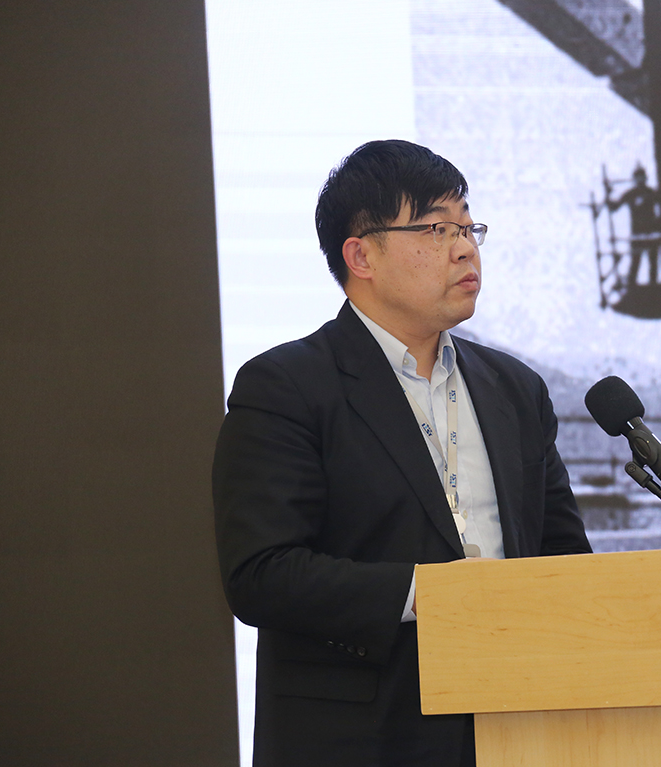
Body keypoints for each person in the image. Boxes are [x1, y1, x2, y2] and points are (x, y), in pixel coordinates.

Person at [212, 139, 592, 767]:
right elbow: (262, 575)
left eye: (469, 228)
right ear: (360, 255)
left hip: (518, 728)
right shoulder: (287, 387)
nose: (465, 248)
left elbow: (565, 561)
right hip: (362, 739)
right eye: (438, 229)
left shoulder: (516, 389)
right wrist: (430, 594)